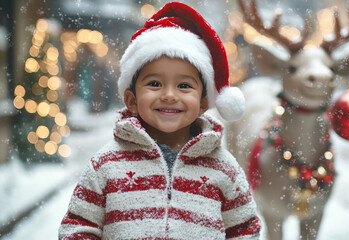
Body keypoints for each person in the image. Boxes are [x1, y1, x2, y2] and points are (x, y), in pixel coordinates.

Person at [58, 2, 261, 239]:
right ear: (131, 100)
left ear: (203, 103)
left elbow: (245, 229)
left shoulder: (223, 168)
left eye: (184, 85)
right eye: (155, 84)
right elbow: (78, 226)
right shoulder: (106, 165)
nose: (169, 95)